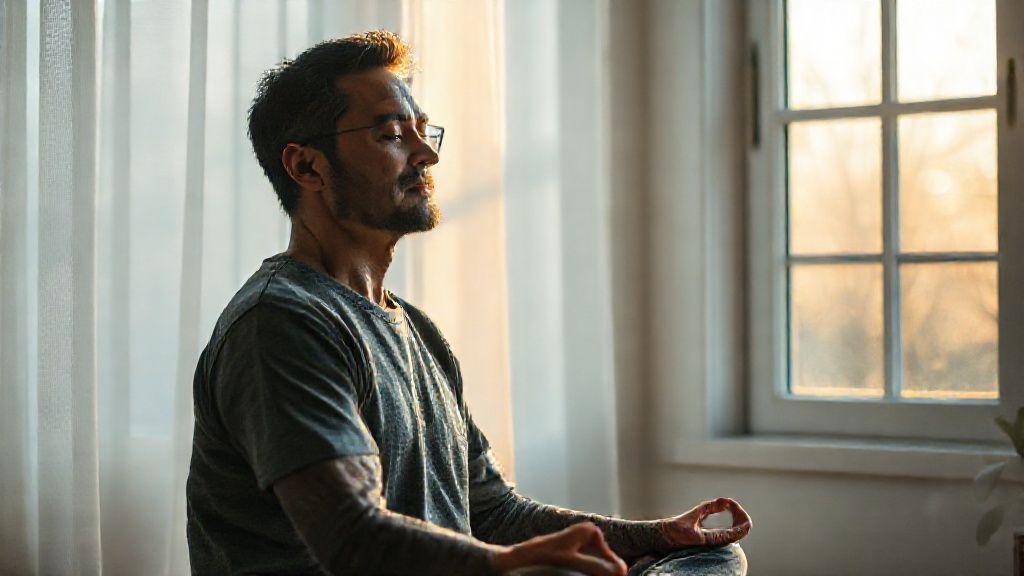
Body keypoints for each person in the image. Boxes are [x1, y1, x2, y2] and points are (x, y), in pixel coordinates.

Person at [185, 31, 752, 576]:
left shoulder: (418, 331)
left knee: (710, 559)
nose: (426, 155)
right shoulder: (280, 322)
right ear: (307, 166)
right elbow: (351, 538)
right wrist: (505, 567)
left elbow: (494, 513)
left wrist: (654, 536)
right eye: (392, 135)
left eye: (423, 131)